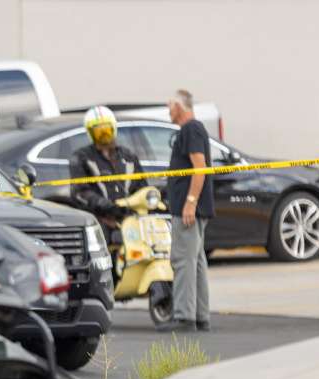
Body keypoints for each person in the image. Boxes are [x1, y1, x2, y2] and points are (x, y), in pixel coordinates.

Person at [160, 89, 215, 332]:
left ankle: (184, 317)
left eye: (170, 105)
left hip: (189, 209)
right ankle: (200, 316)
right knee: (196, 261)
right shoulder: (194, 129)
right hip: (194, 208)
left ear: (180, 107)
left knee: (183, 259)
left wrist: (190, 201)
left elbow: (199, 167)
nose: (168, 109)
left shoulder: (191, 129)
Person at [69, 106, 145, 254]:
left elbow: (142, 187)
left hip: (129, 219)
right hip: (99, 220)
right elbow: (79, 192)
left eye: (107, 129)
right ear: (90, 133)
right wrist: (106, 205)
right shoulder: (81, 157)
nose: (104, 135)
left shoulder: (128, 157)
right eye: (98, 131)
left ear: (114, 129)